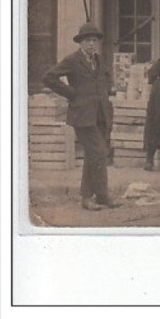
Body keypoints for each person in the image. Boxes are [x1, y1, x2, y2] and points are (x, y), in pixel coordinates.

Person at [42, 22, 117, 210]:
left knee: (95, 155)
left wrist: (108, 94)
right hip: (82, 115)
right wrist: (71, 93)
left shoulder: (99, 60)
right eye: (87, 41)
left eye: (94, 40)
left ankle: (96, 196)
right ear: (80, 43)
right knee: (98, 153)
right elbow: (49, 78)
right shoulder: (72, 60)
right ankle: (94, 196)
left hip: (100, 114)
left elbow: (104, 81)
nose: (91, 44)